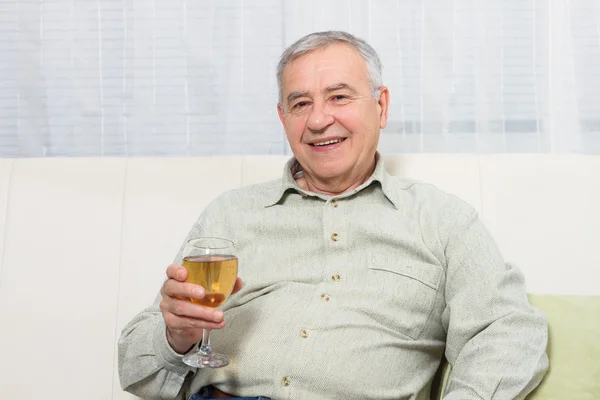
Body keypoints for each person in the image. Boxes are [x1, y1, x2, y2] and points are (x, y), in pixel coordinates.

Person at [119, 31, 548, 400]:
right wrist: (177, 337)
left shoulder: (443, 220)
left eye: (339, 97)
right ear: (282, 118)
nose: (320, 119)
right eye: (300, 104)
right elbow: (133, 368)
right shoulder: (230, 214)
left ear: (381, 106)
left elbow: (508, 332)